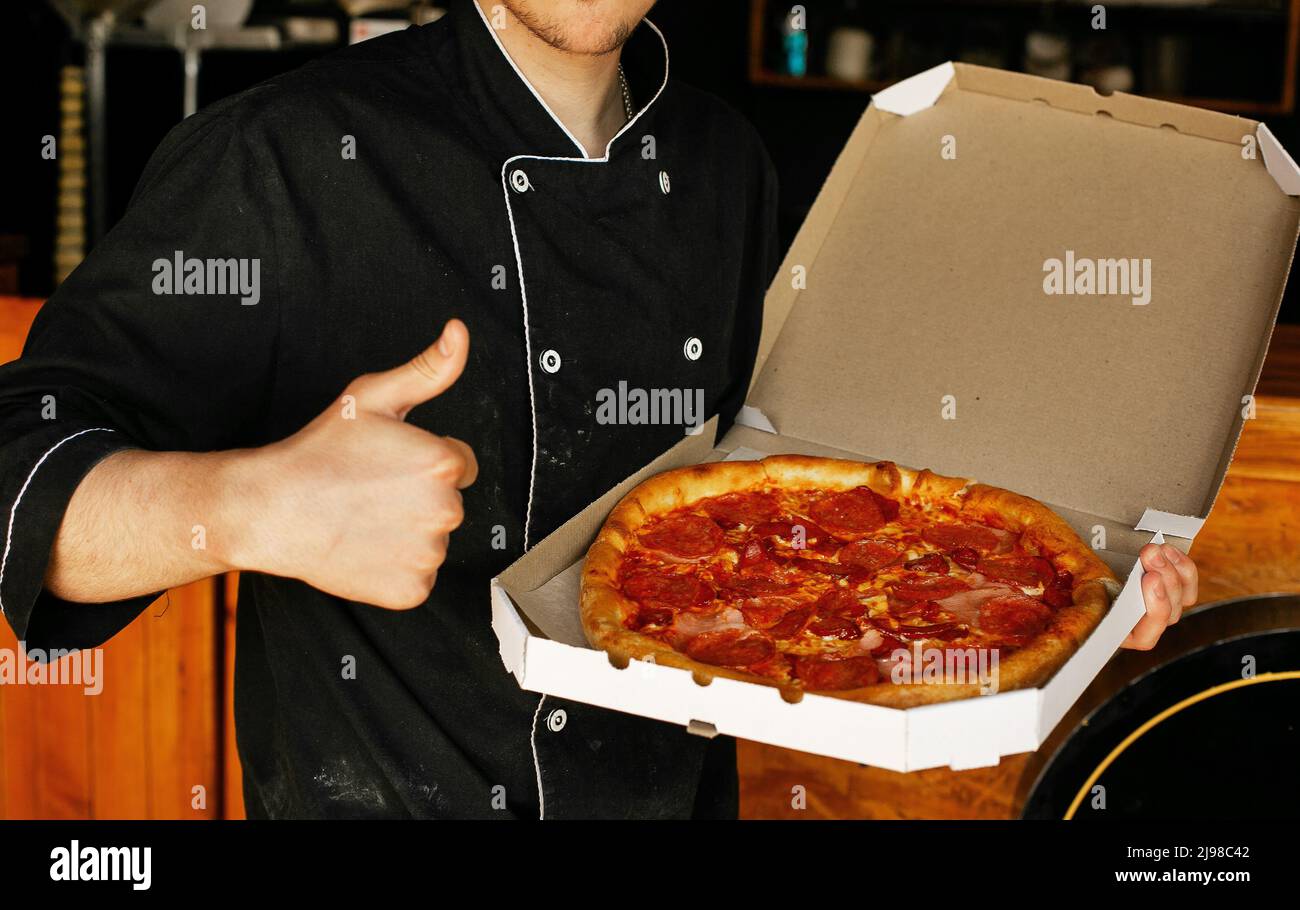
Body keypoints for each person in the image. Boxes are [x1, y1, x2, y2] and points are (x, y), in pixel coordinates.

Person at [0, 0, 1197, 818]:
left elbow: (803, 509)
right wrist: (245, 509)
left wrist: (1041, 602)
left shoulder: (728, 164)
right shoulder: (289, 153)